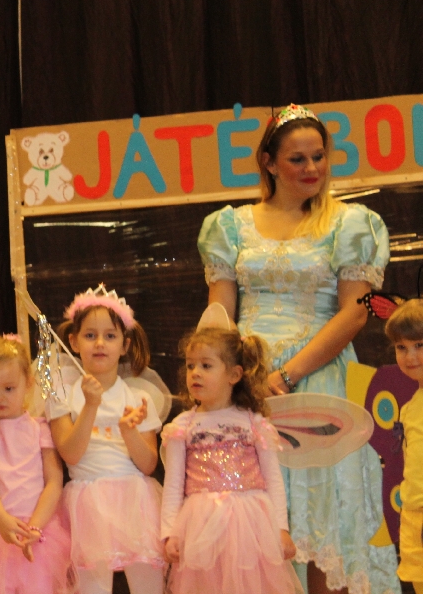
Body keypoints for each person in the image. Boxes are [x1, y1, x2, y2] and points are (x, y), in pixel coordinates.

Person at [198, 103, 398, 593]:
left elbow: (356, 311)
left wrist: (288, 375)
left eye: (319, 157)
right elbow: (220, 316)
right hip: (249, 386)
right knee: (258, 518)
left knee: (323, 519)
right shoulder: (229, 227)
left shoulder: (350, 223)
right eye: (298, 159)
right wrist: (227, 378)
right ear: (269, 163)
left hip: (319, 380)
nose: (312, 168)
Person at [161, 321, 298, 593]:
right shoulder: (182, 426)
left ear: (234, 375)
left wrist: (281, 529)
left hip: (250, 526)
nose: (195, 373)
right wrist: (170, 533)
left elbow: (273, 480)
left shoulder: (254, 423)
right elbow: (173, 485)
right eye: (190, 366)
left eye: (206, 365)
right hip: (200, 528)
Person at [47, 284, 164, 594]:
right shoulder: (61, 396)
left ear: (125, 345)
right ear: (74, 342)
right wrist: (90, 406)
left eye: (110, 336)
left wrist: (129, 432)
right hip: (86, 504)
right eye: (90, 335)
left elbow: (149, 464)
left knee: (148, 586)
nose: (100, 343)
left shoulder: (139, 399)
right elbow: (71, 454)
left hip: (135, 502)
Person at [0, 335, 71, 594]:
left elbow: (54, 481)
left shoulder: (40, 428)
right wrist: (1, 519)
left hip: (39, 528)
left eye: (9, 388)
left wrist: (35, 526)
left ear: (28, 383)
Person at [383, 300, 423, 592]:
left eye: (419, 345)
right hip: (413, 517)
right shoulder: (410, 407)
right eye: (401, 347)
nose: (411, 356)